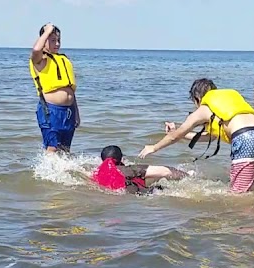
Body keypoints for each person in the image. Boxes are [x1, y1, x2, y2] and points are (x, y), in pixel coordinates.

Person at [138, 79, 254, 194]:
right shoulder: (227, 101)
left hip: (246, 139)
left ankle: (245, 221)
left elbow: (175, 137)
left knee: (238, 193)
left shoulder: (204, 109)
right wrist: (180, 133)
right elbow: (210, 137)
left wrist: (154, 147)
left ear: (197, 98)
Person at [30, 24, 80, 153]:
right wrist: (46, 32)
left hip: (69, 111)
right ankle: (48, 172)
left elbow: (70, 91)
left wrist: (76, 113)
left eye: (58, 40)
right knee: (52, 147)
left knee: (65, 150)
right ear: (44, 40)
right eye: (52, 40)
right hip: (51, 110)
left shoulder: (63, 59)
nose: (57, 44)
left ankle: (64, 173)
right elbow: (36, 50)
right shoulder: (40, 60)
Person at [92, 145, 190, 193]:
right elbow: (165, 171)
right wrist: (188, 176)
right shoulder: (129, 170)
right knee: (161, 187)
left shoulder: (96, 174)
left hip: (117, 196)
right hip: (136, 195)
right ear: (121, 158)